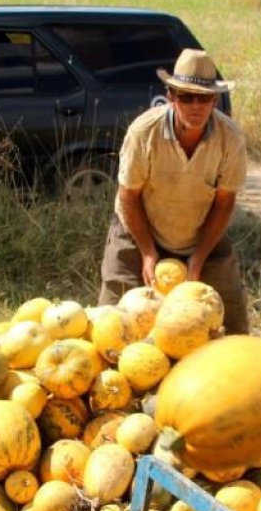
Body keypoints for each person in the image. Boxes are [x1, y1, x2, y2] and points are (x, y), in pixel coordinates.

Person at [97, 48, 250, 334]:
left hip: (199, 229)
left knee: (229, 317)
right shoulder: (144, 132)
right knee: (115, 319)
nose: (196, 105)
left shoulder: (230, 138)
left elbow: (225, 202)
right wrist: (147, 253)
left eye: (204, 98)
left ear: (214, 100)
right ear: (171, 97)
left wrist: (198, 260)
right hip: (138, 226)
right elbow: (129, 196)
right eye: (186, 97)